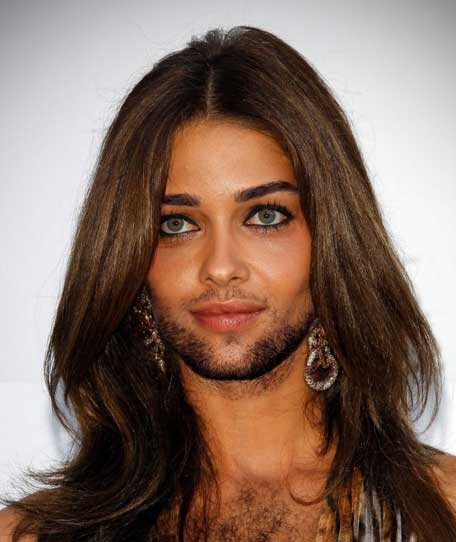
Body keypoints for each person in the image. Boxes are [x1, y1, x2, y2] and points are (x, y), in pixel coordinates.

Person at [1, 25, 455, 542]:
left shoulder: (443, 512)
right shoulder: (31, 535)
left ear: (331, 241)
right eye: (176, 224)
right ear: (129, 260)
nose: (220, 266)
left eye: (265, 216)